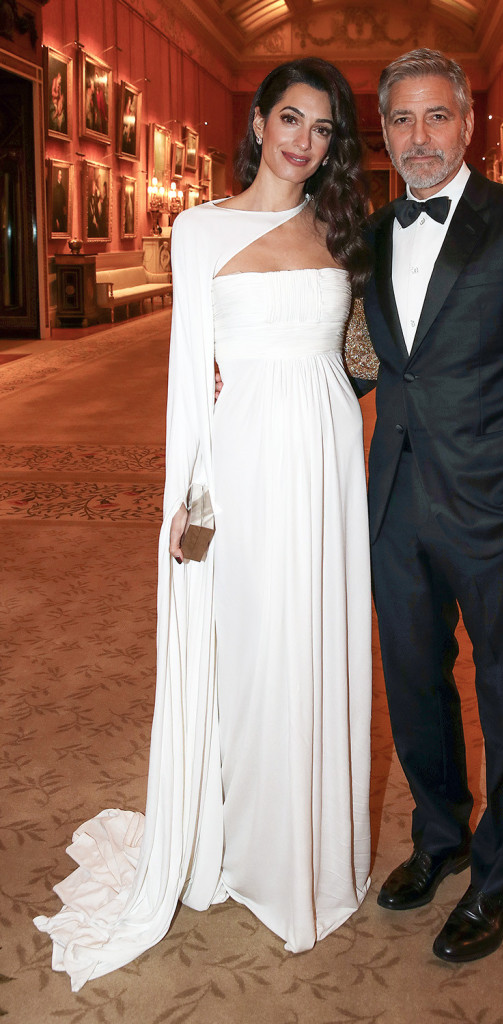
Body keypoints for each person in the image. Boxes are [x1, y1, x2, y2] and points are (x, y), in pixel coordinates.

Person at [34, 57, 373, 990]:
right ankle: (250, 844)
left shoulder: (340, 225)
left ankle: (312, 846)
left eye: (323, 129)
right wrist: (189, 495)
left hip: (328, 456)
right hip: (246, 457)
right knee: (253, 647)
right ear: (259, 122)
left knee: (318, 639)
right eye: (292, 119)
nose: (305, 142)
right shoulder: (199, 229)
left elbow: (361, 352)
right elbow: (190, 374)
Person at [359, 49, 503, 963]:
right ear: (384, 133)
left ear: (467, 123)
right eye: (401, 120)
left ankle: (498, 875)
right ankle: (440, 836)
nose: (418, 137)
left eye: (435, 117)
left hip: (494, 501)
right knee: (413, 681)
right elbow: (364, 359)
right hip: (395, 500)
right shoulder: (371, 234)